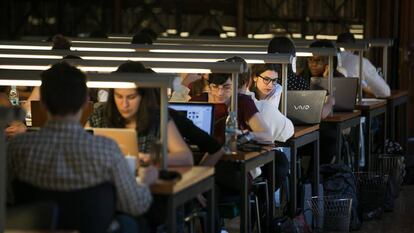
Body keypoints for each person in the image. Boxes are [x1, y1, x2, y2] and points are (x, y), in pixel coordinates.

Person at [7, 62, 158, 227]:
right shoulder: (106, 149)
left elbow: (7, 199)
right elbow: (135, 206)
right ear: (86, 102)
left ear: (42, 102)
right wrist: (144, 181)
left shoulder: (17, 147)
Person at [88, 61, 193, 166]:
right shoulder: (99, 116)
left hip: (146, 180)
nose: (124, 104)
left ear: (143, 97)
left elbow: (186, 158)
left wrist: (152, 158)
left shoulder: (158, 118)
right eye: (119, 96)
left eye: (131, 97)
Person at [268, 37, 334, 119]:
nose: (314, 64)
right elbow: (316, 113)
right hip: (295, 127)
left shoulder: (264, 79)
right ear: (293, 57)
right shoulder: (297, 82)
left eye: (318, 60)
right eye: (310, 59)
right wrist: (330, 101)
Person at [248, 63, 294, 142]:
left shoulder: (280, 91)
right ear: (255, 77)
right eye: (266, 79)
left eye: (274, 80)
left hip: (275, 138)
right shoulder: (247, 94)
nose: (270, 85)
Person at [337, 32, 391, 98]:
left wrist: (362, 85)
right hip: (353, 105)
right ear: (354, 47)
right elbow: (385, 92)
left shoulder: (329, 59)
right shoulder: (361, 61)